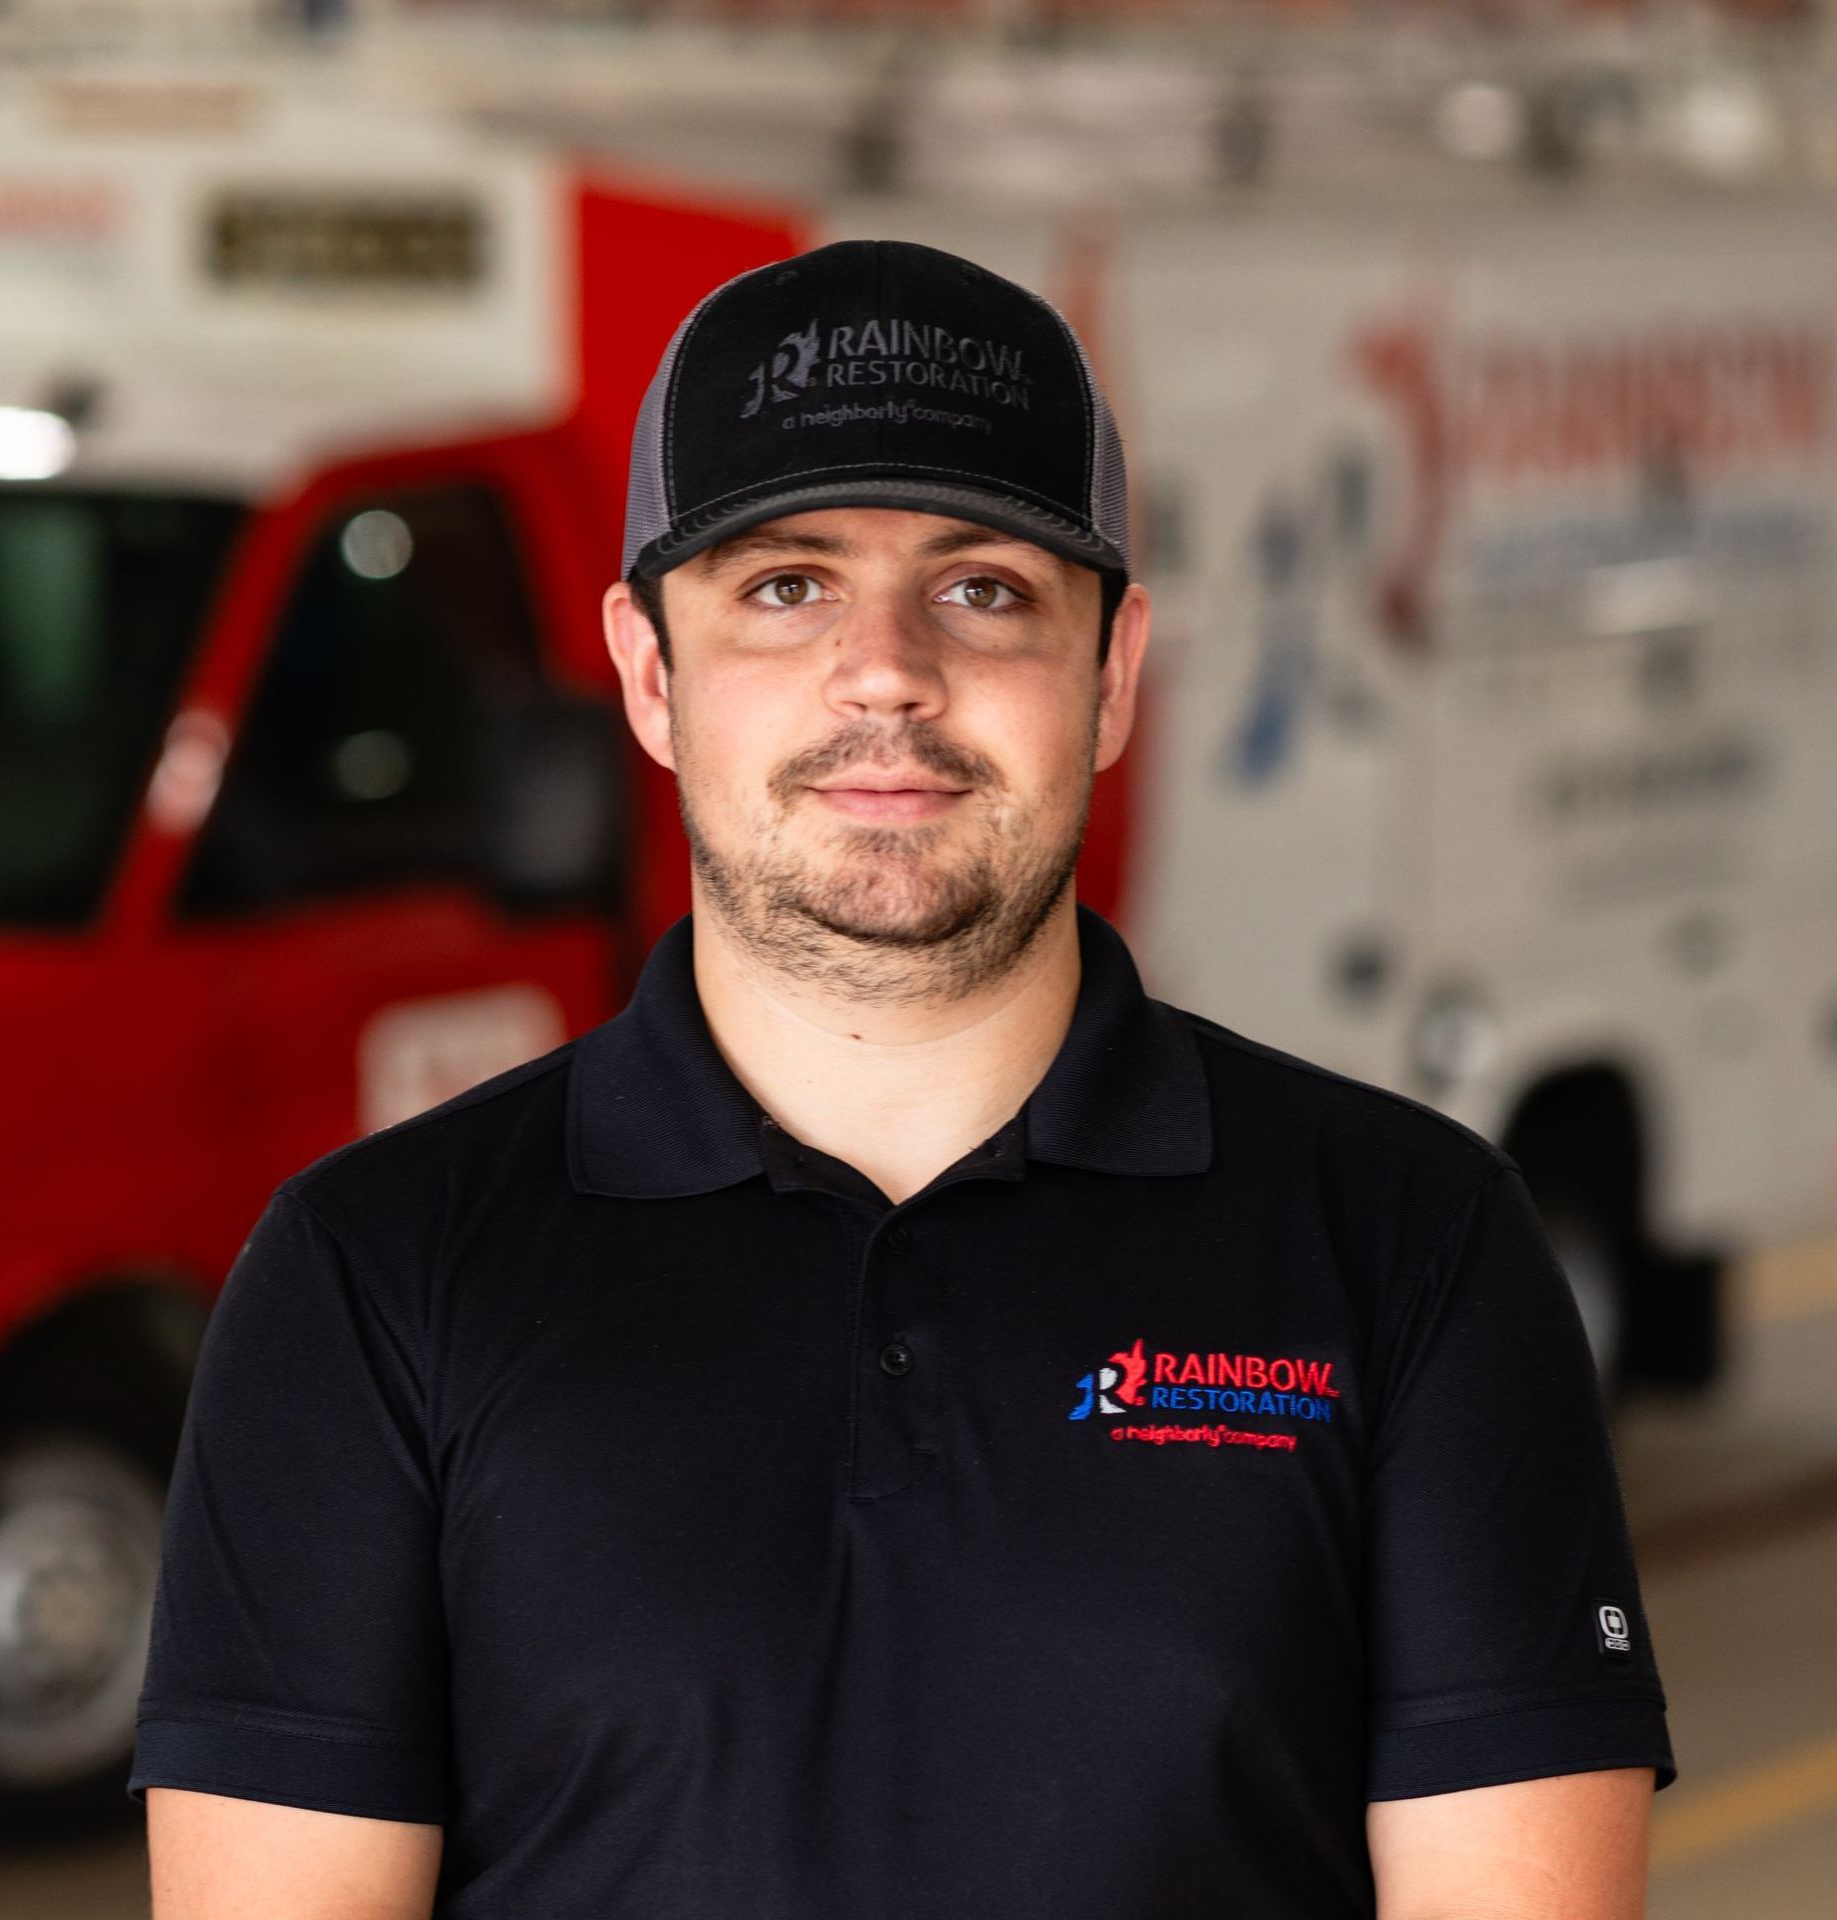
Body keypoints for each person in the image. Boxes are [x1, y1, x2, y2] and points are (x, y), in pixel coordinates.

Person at [132, 239, 1675, 1919]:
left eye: (984, 587)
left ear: (1115, 676)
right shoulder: (369, 1278)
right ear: (651, 676)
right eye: (785, 586)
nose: (886, 671)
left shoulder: (1415, 1245)